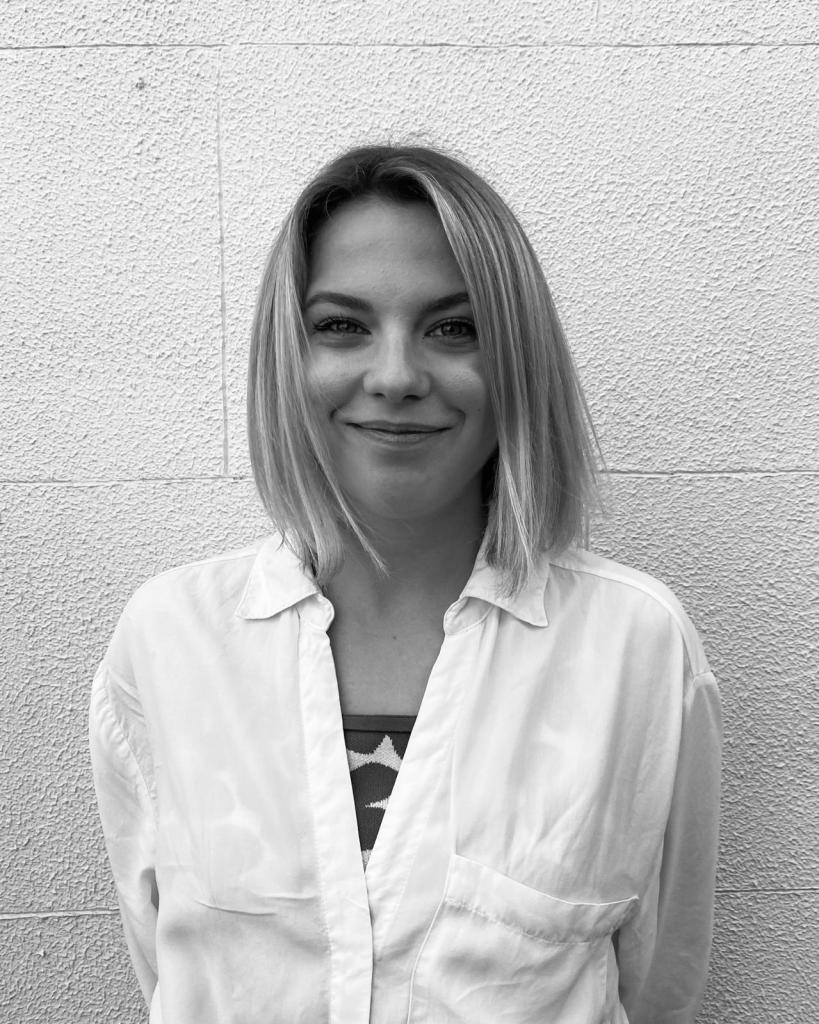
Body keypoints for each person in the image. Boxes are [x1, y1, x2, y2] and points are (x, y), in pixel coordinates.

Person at [90, 143, 722, 1024]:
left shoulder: (633, 644)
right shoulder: (169, 640)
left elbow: (656, 981)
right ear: (288, 356)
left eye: (453, 328)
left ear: (517, 361)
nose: (394, 377)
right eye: (341, 326)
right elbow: (169, 966)